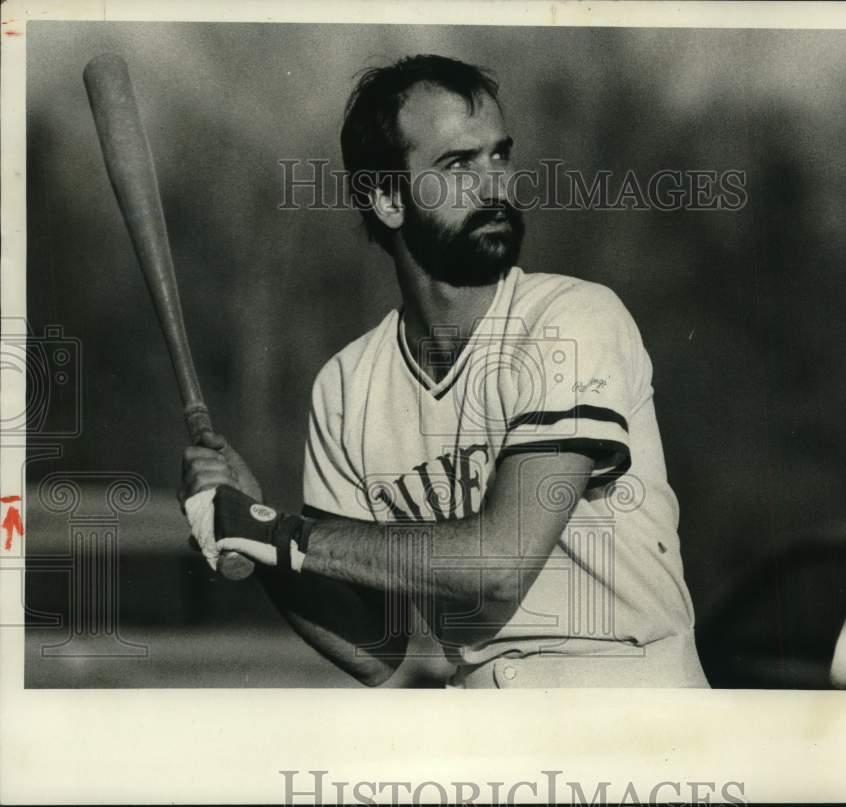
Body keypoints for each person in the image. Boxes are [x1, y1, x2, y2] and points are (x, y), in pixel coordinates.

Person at [180, 54, 708, 689]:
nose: (494, 186)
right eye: (458, 165)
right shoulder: (345, 386)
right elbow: (373, 650)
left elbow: (502, 562)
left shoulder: (571, 318)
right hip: (483, 713)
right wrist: (252, 534)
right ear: (387, 199)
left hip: (631, 698)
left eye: (499, 156)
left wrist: (276, 533)